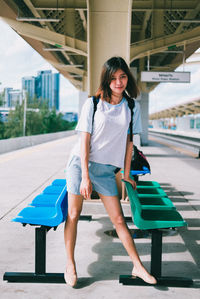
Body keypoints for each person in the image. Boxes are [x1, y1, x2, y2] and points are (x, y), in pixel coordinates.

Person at [64, 56, 157, 287]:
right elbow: (84, 141)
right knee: (73, 214)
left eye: (122, 76)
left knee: (118, 219)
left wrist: (126, 175)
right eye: (114, 77)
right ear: (106, 79)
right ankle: (70, 264)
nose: (119, 82)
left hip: (106, 171)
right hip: (80, 165)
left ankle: (138, 266)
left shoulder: (132, 106)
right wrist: (85, 176)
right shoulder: (93, 104)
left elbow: (129, 145)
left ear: (127, 78)